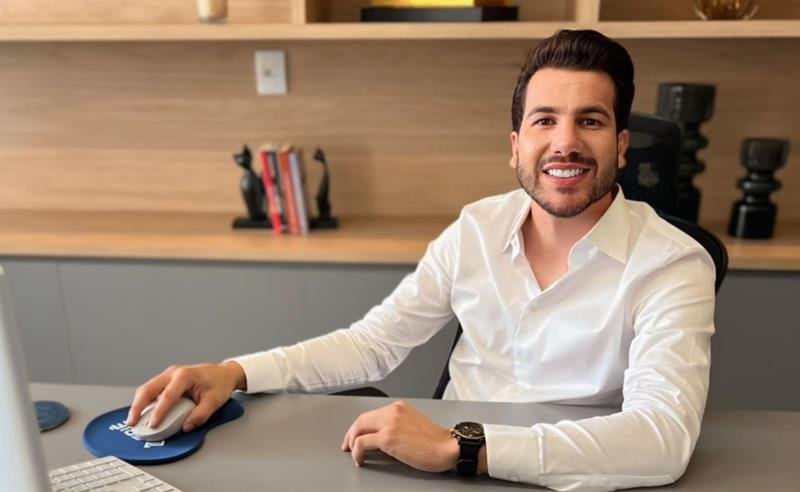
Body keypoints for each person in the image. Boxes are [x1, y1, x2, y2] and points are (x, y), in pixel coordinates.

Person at [128, 29, 715, 491]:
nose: (565, 142)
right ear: (516, 146)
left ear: (620, 145)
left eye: (590, 120)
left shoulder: (673, 264)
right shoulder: (477, 228)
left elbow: (662, 437)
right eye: (545, 120)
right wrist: (235, 372)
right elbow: (373, 344)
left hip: (570, 476)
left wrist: (464, 447)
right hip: (439, 473)